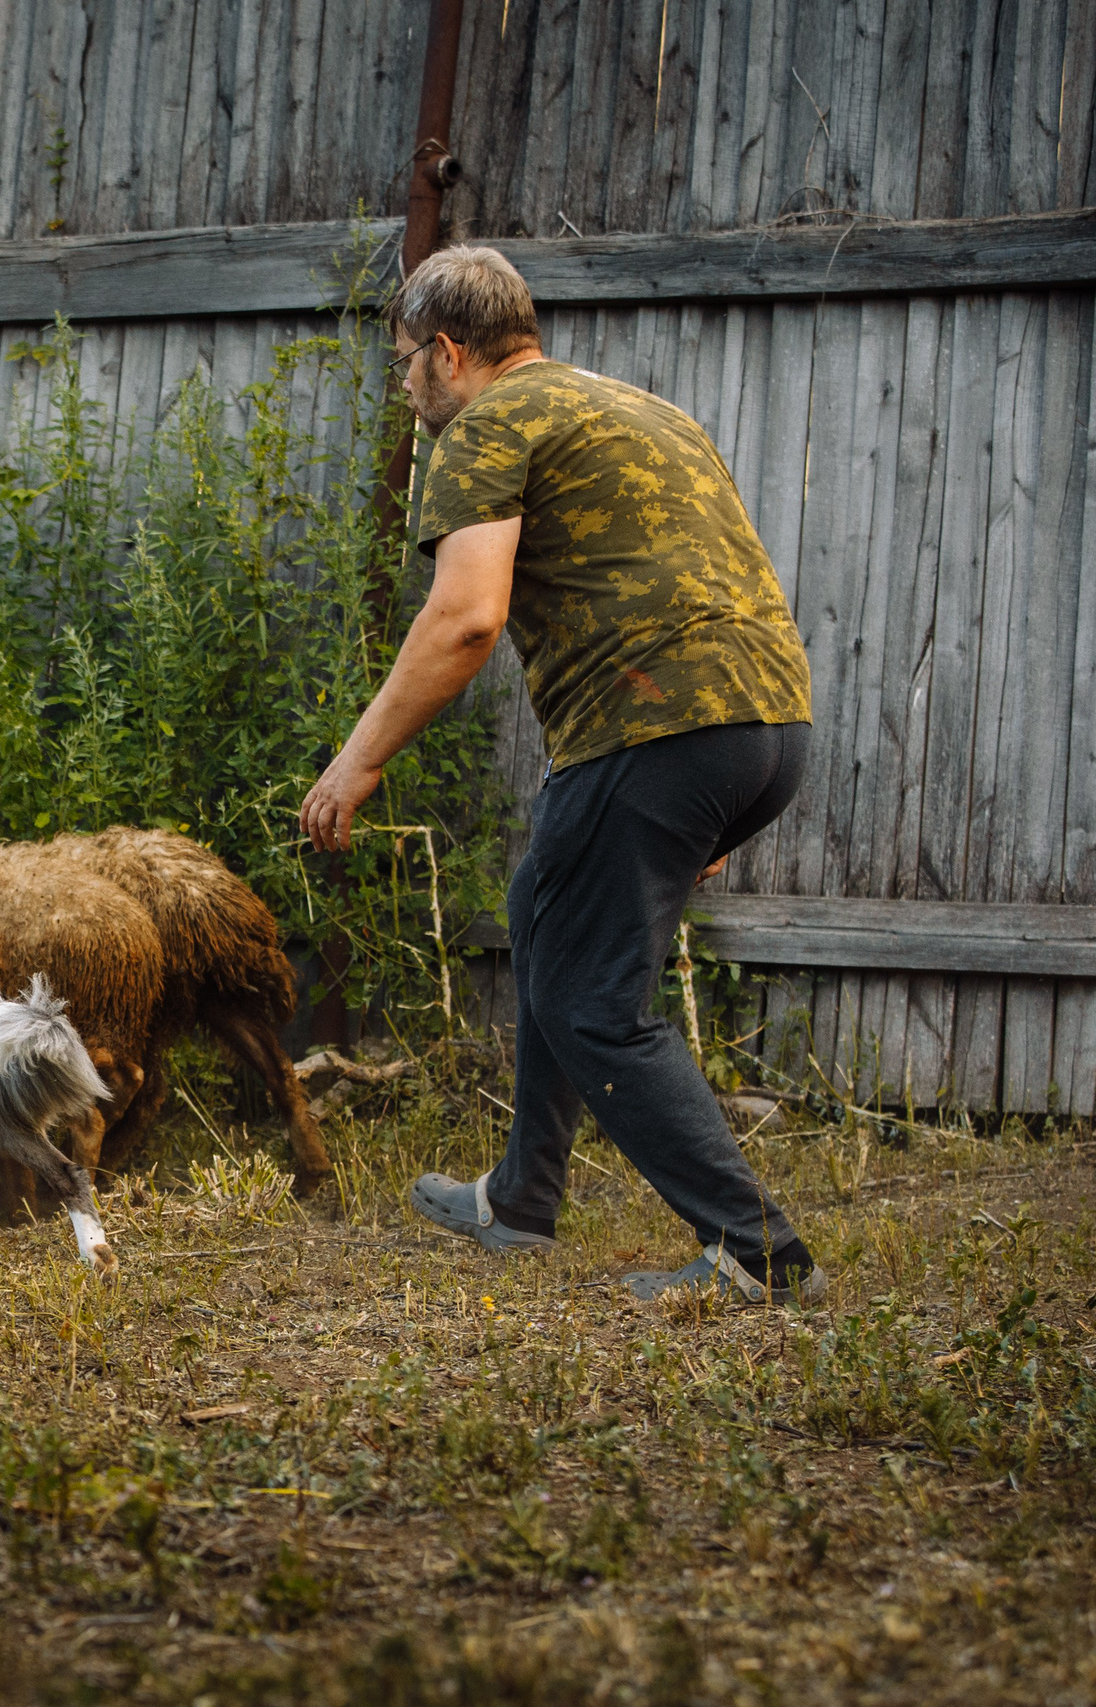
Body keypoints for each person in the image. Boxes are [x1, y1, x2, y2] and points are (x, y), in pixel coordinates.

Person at [299, 245, 822, 1306]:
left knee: (592, 998)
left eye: (404, 364)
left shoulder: (484, 425)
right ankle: (519, 1200)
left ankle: (756, 1254)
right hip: (766, 722)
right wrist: (717, 790)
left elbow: (465, 618)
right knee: (542, 910)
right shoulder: (641, 410)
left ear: (446, 353)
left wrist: (354, 765)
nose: (405, 389)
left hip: (652, 727)